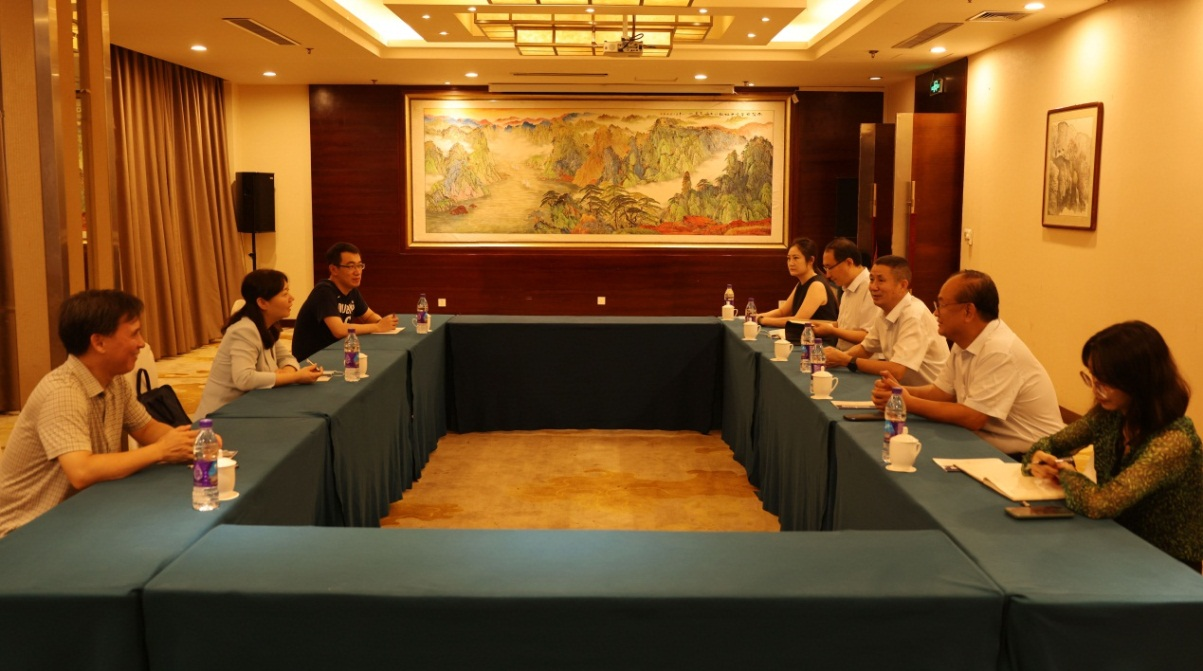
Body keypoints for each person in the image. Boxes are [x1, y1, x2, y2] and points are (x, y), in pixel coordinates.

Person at [0, 290, 200, 538]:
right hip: (25, 531)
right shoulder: (63, 392)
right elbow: (81, 471)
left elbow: (147, 428)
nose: (142, 343)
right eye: (134, 333)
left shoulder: (114, 381)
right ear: (99, 343)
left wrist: (194, 443)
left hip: (78, 513)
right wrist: (161, 451)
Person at [1024, 321, 1203, 569]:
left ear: (1139, 381)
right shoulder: (1111, 415)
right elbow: (1053, 443)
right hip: (1116, 541)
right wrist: (1040, 458)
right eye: (1092, 378)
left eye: (1105, 382)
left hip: (1166, 564)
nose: (1096, 390)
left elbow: (1102, 503)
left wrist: (1064, 473)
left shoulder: (1173, 440)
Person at [870, 270, 1063, 457]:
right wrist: (897, 392)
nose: (935, 313)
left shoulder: (999, 350)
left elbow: (973, 417)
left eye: (942, 305)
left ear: (968, 311)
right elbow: (941, 393)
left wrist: (908, 402)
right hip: (989, 446)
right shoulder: (964, 341)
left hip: (1033, 457)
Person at [194, 270, 323, 419]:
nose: (291, 298)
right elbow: (244, 379)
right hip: (223, 414)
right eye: (284, 294)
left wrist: (287, 372)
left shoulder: (267, 326)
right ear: (262, 302)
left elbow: (287, 358)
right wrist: (295, 377)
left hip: (250, 406)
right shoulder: (244, 330)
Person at [822, 255, 948, 386]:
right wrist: (837, 357)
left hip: (927, 393)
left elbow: (897, 370)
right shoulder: (884, 311)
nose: (873, 287)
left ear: (902, 285)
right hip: (902, 389)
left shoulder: (914, 315)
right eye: (871, 279)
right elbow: (866, 348)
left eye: (881, 280)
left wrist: (846, 359)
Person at [292, 242, 399, 361]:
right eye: (351, 266)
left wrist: (382, 322)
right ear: (334, 269)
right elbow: (339, 330)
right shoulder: (324, 291)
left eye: (359, 265)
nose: (357, 272)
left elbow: (368, 316)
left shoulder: (351, 290)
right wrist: (377, 327)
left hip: (337, 352)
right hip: (313, 360)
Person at [753, 237, 839, 328]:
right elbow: (782, 311)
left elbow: (797, 320)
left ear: (811, 260)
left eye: (796, 258)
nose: (791, 263)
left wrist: (762, 320)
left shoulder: (817, 285)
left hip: (822, 336)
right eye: (789, 258)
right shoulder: (801, 283)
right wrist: (757, 316)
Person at [813, 237, 879, 350]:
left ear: (849, 262)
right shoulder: (847, 288)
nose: (827, 275)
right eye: (825, 268)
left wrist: (832, 330)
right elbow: (845, 326)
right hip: (842, 354)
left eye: (830, 268)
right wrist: (825, 326)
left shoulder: (871, 289)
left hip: (859, 358)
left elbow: (868, 337)